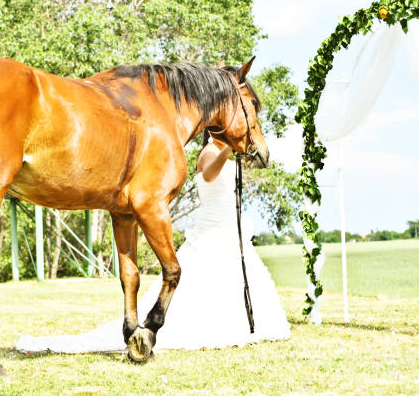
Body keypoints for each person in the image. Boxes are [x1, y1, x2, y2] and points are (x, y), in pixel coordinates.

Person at [15, 131, 290, 353]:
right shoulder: (208, 152)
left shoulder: (227, 156)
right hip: (212, 224)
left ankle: (241, 322)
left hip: (229, 223)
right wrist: (228, 149)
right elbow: (208, 175)